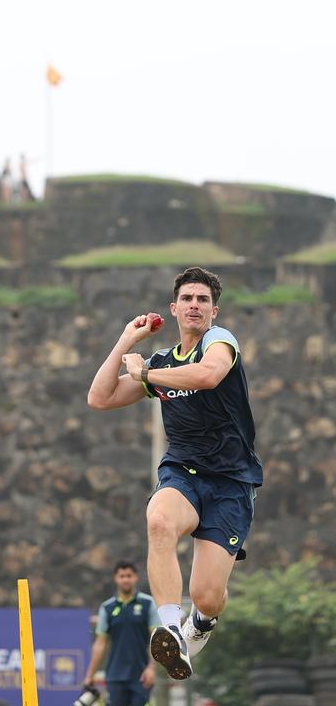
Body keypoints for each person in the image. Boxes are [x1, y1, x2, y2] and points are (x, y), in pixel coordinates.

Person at [87, 266, 263, 681]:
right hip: (183, 471)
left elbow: (207, 376)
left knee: (208, 595)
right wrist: (126, 342)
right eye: (187, 299)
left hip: (231, 483)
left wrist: (144, 374)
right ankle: (170, 627)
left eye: (203, 300)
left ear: (214, 311)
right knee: (159, 520)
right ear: (175, 307)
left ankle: (201, 622)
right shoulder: (162, 362)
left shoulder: (220, 342)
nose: (195, 306)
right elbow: (99, 397)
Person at [82, 561, 160, 706]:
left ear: (135, 578)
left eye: (129, 575)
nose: (125, 579)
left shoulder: (147, 604)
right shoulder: (108, 607)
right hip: (115, 675)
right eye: (121, 576)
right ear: (116, 579)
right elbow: (100, 643)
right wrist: (90, 675)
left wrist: (151, 668)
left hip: (141, 676)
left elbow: (156, 639)